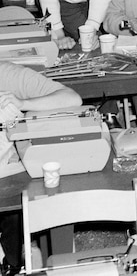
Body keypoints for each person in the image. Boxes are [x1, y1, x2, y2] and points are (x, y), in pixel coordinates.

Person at [0, 61, 82, 274]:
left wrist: (22, 103)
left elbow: (72, 99)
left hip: (8, 177)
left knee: (37, 192)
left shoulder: (7, 75)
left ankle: (16, 261)